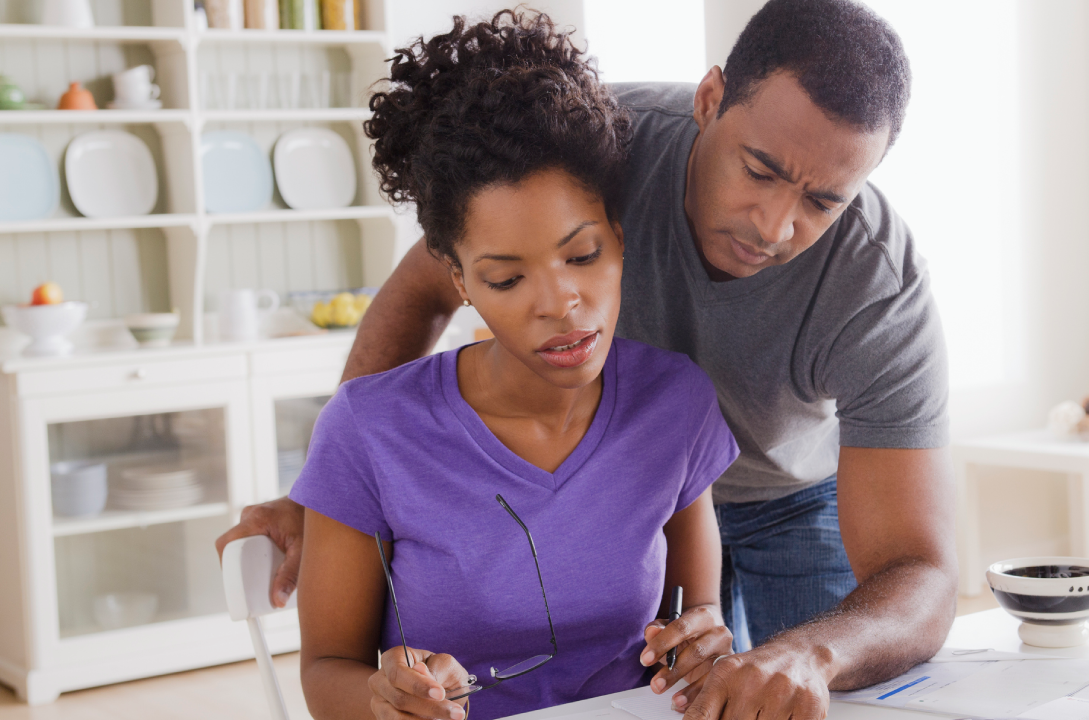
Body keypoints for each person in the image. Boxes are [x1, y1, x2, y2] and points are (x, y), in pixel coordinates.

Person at [218, 1, 958, 719]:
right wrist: (339, 491)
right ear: (710, 100)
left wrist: (810, 654)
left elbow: (919, 574)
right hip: (622, 472)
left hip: (778, 488)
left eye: (824, 201)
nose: (774, 226)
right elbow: (422, 292)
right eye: (759, 170)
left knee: (817, 693)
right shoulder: (593, 150)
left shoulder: (874, 286)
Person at [286, 11, 738, 720]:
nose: (560, 303)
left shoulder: (674, 404)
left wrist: (704, 644)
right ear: (459, 281)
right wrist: (383, 699)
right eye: (505, 279)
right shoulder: (369, 429)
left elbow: (693, 620)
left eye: (582, 256)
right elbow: (324, 672)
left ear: (619, 240)